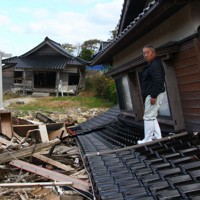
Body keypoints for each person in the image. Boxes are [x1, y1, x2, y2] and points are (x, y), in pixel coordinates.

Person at [138, 45, 165, 144]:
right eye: (144, 53)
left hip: (153, 94)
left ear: (153, 53)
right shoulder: (152, 64)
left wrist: (153, 96)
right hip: (152, 94)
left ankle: (148, 139)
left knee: (148, 116)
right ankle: (158, 136)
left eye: (147, 52)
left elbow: (158, 81)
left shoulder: (155, 65)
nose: (145, 55)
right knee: (152, 116)